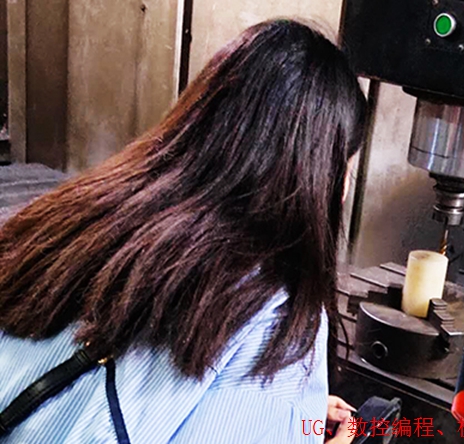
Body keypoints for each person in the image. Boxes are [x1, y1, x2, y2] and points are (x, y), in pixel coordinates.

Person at [0, 18, 366, 444]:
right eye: (345, 165)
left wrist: (285, 411)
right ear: (320, 175)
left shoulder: (82, 215)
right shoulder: (275, 312)